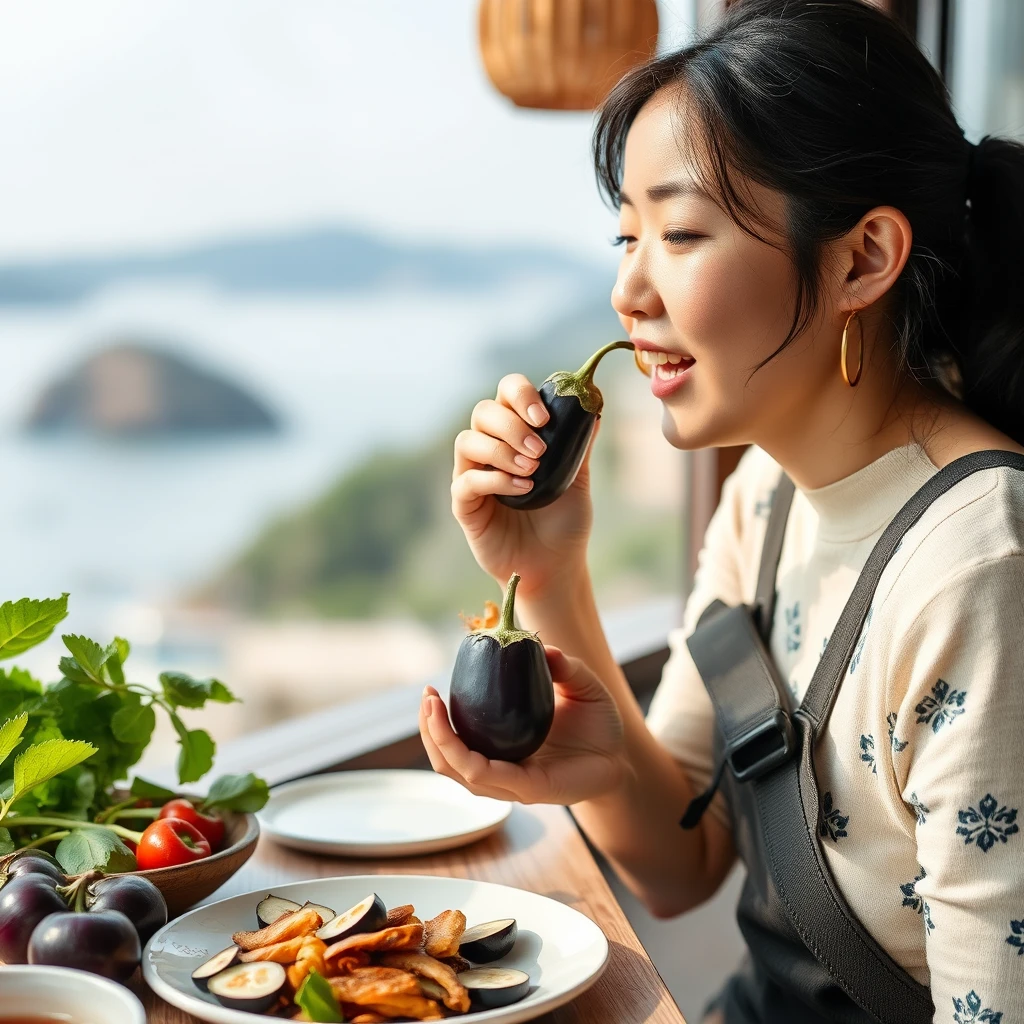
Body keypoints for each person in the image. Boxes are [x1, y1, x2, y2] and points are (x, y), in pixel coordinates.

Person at [419, 1, 1024, 1021]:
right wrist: (550, 576)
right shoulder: (767, 493)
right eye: (625, 234)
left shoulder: (982, 567)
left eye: (681, 232)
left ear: (860, 259)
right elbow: (679, 862)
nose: (628, 289)